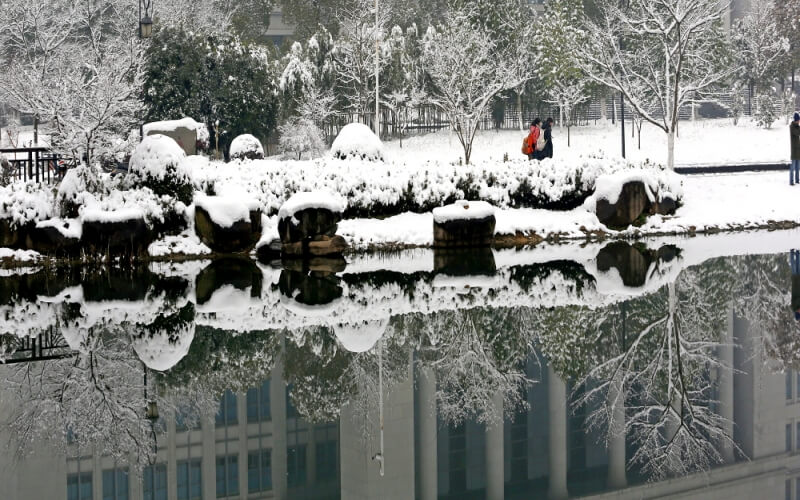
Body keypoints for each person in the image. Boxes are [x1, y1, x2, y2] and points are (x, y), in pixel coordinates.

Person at [791, 112, 800, 186]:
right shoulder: (792, 127)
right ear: (796, 120)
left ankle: (797, 180)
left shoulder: (797, 126)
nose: (799, 121)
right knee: (793, 167)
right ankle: (791, 181)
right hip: (794, 150)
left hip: (798, 150)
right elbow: (797, 133)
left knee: (798, 167)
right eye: (798, 120)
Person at [792, 249, 800, 320]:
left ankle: (792, 253)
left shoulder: (794, 307)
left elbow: (796, 298)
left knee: (794, 267)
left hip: (795, 284)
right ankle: (797, 253)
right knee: (798, 266)